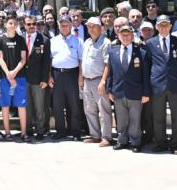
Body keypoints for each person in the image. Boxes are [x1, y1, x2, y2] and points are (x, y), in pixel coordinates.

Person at [106, 24, 151, 152]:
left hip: (136, 92)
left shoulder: (141, 53)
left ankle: (136, 142)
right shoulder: (113, 52)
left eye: (128, 34)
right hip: (118, 91)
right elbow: (111, 73)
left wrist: (146, 93)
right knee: (121, 119)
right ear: (118, 36)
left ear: (132, 35)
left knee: (135, 119)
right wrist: (109, 90)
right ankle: (122, 140)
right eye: (123, 34)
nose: (125, 37)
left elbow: (145, 75)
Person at [147, 15, 177, 153]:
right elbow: (148, 65)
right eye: (161, 25)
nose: (163, 28)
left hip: (176, 85)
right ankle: (161, 143)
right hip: (157, 85)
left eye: (166, 25)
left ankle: (175, 144)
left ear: (171, 26)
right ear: (156, 27)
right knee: (158, 116)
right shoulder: (150, 43)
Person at [49, 15, 83, 140]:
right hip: (57, 74)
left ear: (71, 26)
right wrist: (49, 76)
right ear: (58, 26)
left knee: (74, 104)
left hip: (72, 74)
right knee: (57, 105)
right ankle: (60, 131)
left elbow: (81, 60)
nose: (64, 27)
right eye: (62, 24)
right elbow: (49, 60)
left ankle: (75, 132)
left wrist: (80, 76)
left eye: (66, 24)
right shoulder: (53, 41)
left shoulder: (78, 40)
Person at [0, 15, 29, 142]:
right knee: (5, 105)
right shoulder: (0, 39)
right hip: (5, 78)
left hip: (19, 77)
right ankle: (7, 132)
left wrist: (14, 72)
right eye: (10, 23)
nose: (12, 25)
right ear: (6, 25)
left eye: (15, 23)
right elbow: (0, 58)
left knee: (21, 105)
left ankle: (24, 133)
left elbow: (23, 59)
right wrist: (8, 74)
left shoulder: (21, 40)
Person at [80, 17, 111, 146]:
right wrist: (81, 77)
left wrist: (103, 81)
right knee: (89, 109)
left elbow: (107, 64)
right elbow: (83, 61)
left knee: (104, 110)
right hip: (87, 80)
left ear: (100, 28)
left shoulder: (106, 42)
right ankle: (95, 135)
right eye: (89, 26)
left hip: (99, 80)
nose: (91, 29)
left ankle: (106, 137)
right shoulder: (86, 42)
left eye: (93, 26)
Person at [23, 15, 51, 141]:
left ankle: (40, 130)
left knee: (39, 106)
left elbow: (46, 62)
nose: (31, 27)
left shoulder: (44, 40)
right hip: (23, 79)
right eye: (28, 24)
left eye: (33, 24)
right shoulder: (19, 39)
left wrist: (45, 79)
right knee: (27, 106)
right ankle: (28, 130)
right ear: (24, 25)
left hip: (38, 78)